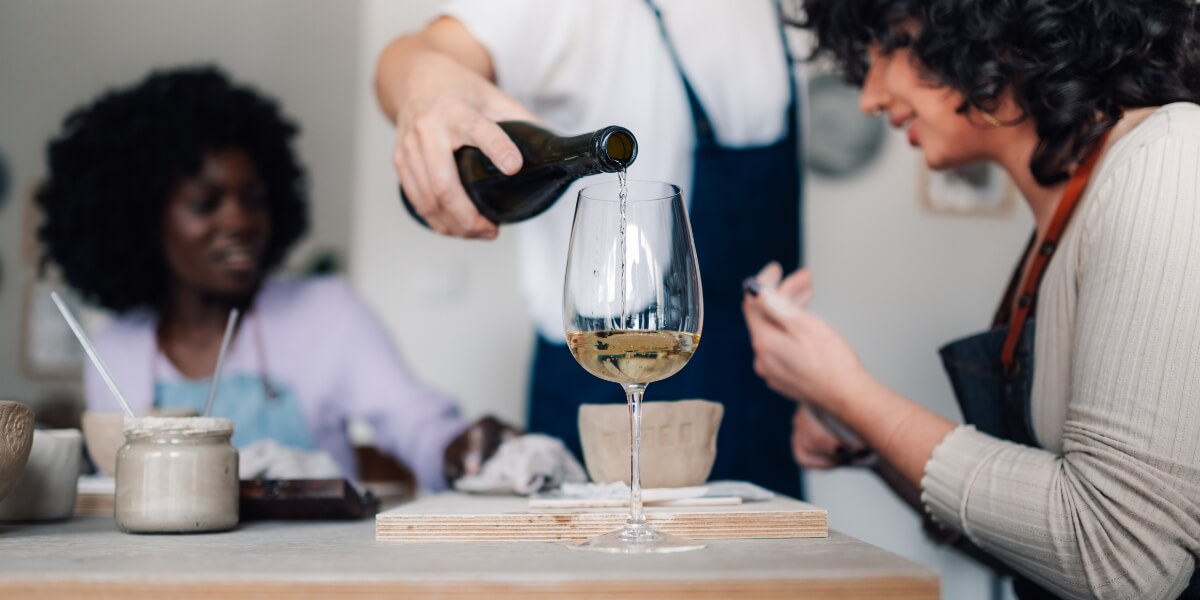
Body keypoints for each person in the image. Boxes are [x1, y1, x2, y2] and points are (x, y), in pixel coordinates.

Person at [744, 0, 1200, 597]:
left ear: (987, 30)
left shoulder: (1167, 157)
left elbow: (1119, 558)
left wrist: (849, 393)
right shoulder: (1055, 230)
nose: (870, 97)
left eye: (889, 48)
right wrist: (869, 444)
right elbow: (1033, 541)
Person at [375, 0, 807, 496]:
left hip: (766, 407)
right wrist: (428, 93)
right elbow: (412, 55)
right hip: (599, 398)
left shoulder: (781, 15)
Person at [36, 66, 511, 491]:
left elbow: (417, 426)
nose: (240, 221)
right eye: (206, 203)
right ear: (142, 220)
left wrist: (462, 449)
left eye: (255, 199)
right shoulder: (116, 349)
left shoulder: (326, 314)